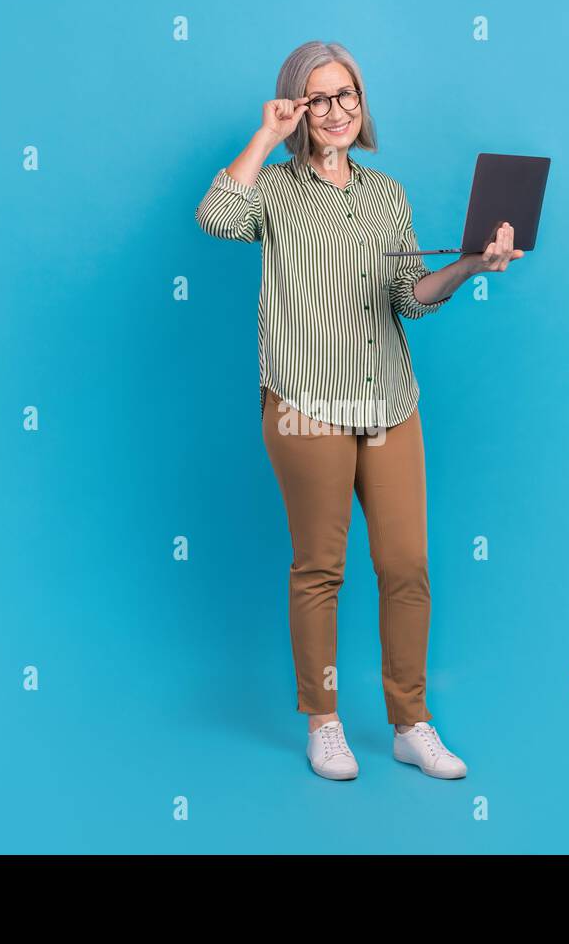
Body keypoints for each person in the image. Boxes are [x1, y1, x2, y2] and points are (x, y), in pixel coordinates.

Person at [194, 40, 521, 781]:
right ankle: (326, 720)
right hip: (307, 404)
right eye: (319, 99)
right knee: (321, 568)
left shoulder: (387, 195)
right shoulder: (272, 191)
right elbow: (216, 216)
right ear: (297, 108)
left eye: (348, 96)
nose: (337, 111)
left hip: (388, 403)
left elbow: (410, 297)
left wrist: (470, 266)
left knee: (406, 565)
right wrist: (266, 136)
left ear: (362, 103)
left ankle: (411, 722)